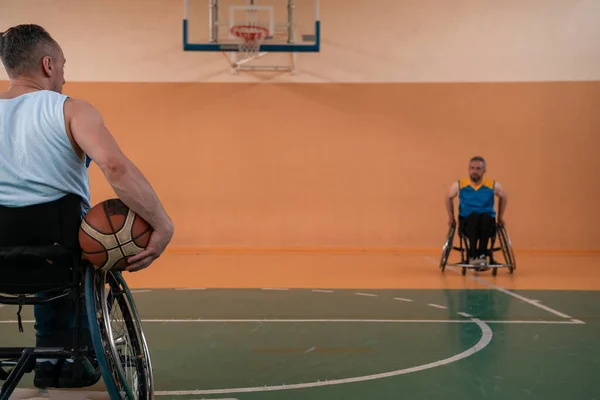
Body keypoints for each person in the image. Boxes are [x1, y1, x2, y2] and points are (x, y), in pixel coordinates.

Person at [0, 24, 174, 388]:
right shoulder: (70, 109)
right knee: (71, 253)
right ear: (48, 64)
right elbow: (115, 167)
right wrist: (162, 224)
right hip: (59, 253)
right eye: (63, 65)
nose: (64, 75)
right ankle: (58, 361)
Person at [445, 156, 507, 266]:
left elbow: (503, 197)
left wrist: (500, 217)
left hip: (487, 223)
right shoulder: (460, 185)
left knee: (485, 217)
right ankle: (473, 254)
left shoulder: (493, 185)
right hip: (467, 223)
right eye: (472, 168)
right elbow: (448, 197)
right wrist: (451, 216)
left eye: (478, 168)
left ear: (484, 171)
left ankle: (482, 254)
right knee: (474, 216)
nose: (475, 171)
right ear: (469, 169)